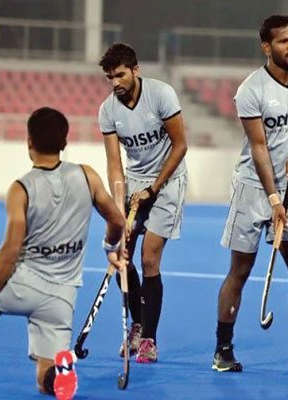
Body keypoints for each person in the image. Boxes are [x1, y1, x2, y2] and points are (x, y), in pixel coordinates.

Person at [0, 107, 127, 399]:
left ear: (29, 142)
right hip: (62, 298)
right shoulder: (87, 176)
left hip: (22, 287)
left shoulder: (21, 189)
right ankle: (58, 375)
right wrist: (110, 247)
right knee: (44, 379)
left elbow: (10, 251)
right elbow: (117, 221)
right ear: (64, 142)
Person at [213, 14, 288, 375]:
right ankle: (223, 349)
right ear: (266, 47)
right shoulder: (251, 90)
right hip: (253, 189)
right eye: (283, 41)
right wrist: (274, 200)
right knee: (241, 269)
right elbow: (259, 148)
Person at [98, 42, 188, 363]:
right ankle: (137, 323)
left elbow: (180, 145)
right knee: (122, 255)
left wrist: (154, 188)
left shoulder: (161, 95)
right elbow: (114, 164)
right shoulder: (108, 110)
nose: (115, 83)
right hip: (134, 182)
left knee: (150, 257)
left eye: (120, 75)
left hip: (169, 179)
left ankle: (149, 338)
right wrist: (118, 206)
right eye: (110, 77)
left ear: (135, 71)